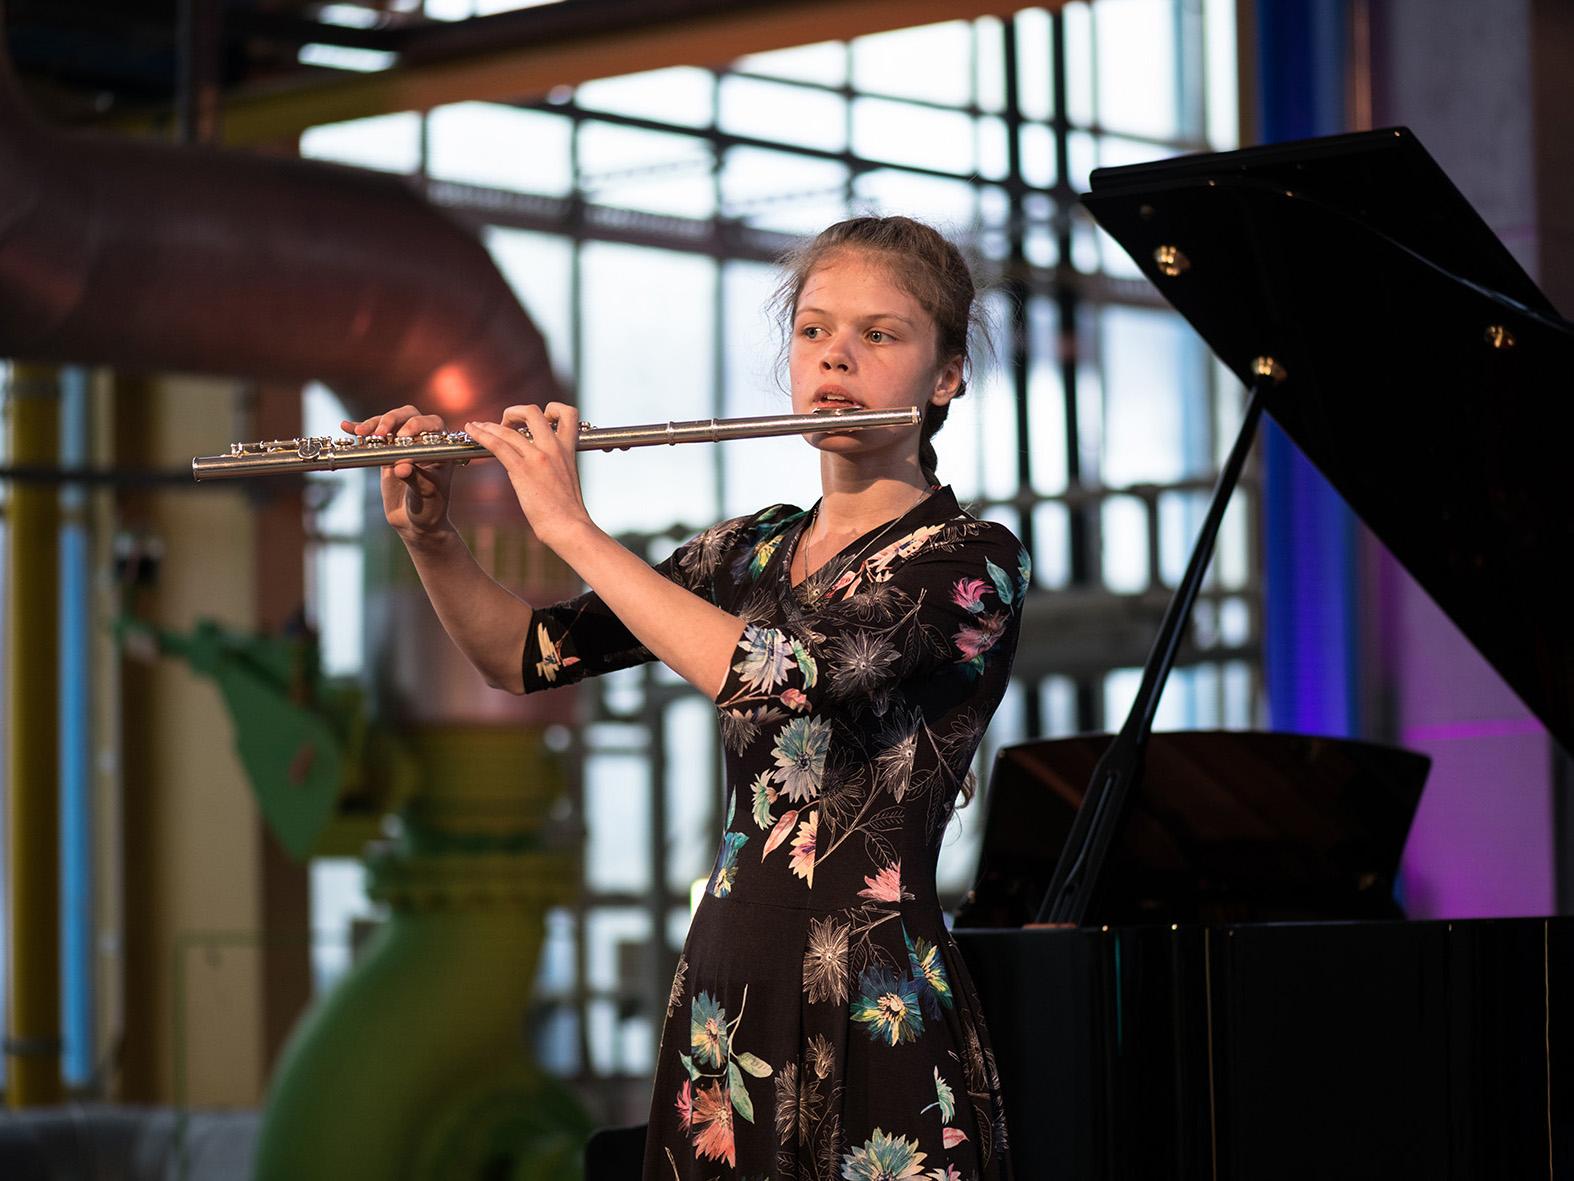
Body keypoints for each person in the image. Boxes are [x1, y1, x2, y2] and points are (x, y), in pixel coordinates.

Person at [351, 215, 1026, 1180]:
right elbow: (522, 655)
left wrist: (568, 523)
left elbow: (782, 672)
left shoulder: (969, 562)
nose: (837, 355)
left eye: (880, 336)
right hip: (729, 983)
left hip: (873, 990)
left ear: (947, 374)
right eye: (814, 331)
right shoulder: (745, 550)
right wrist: (432, 539)